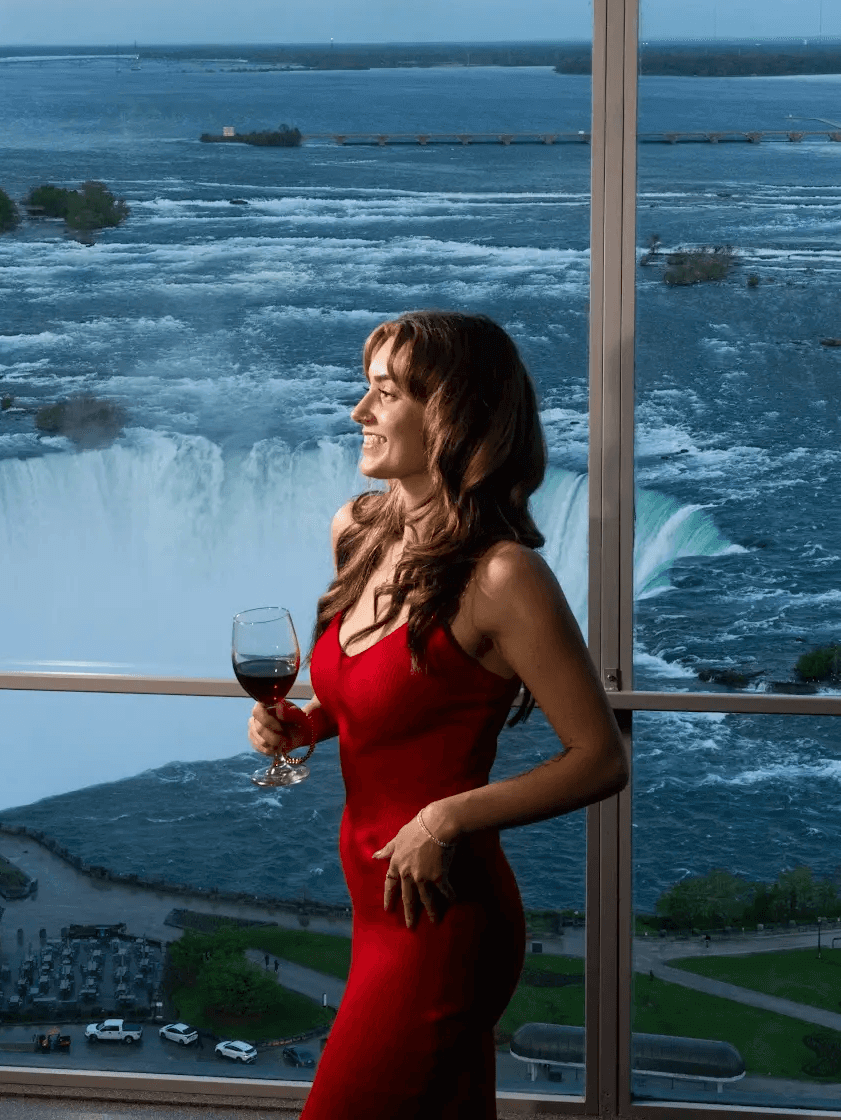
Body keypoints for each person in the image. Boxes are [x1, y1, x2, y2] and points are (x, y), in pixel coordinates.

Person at [246, 310, 628, 1120]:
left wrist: (445, 818)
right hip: (371, 899)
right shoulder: (355, 531)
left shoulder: (503, 577)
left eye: (383, 393)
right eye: (366, 388)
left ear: (450, 417)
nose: (358, 413)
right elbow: (376, 701)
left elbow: (599, 757)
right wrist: (302, 723)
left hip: (443, 917)